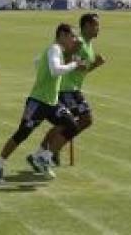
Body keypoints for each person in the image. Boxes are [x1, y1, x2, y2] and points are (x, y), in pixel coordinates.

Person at [0, 23, 88, 183]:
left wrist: (45, 74)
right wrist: (74, 64)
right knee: (22, 134)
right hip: (38, 102)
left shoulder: (55, 51)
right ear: (62, 35)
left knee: (72, 125)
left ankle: (44, 157)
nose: (74, 39)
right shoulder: (54, 49)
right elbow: (55, 70)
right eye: (72, 36)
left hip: (51, 102)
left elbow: (37, 61)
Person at [38, 13, 105, 166]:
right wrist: (72, 56)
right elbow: (65, 59)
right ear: (87, 26)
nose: (98, 29)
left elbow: (82, 71)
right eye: (96, 25)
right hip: (66, 89)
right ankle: (49, 153)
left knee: (64, 123)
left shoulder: (87, 44)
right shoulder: (79, 42)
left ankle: (43, 152)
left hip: (73, 88)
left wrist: (95, 64)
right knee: (84, 120)